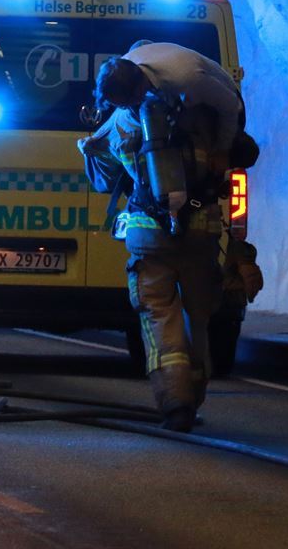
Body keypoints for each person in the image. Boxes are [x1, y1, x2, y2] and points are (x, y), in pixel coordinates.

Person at [79, 42, 256, 431]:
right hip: (202, 229)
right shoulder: (199, 115)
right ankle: (195, 392)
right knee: (199, 317)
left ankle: (176, 402)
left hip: (149, 235)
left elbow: (102, 178)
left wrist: (89, 148)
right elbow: (237, 134)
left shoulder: (123, 122)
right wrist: (220, 152)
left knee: (158, 313)